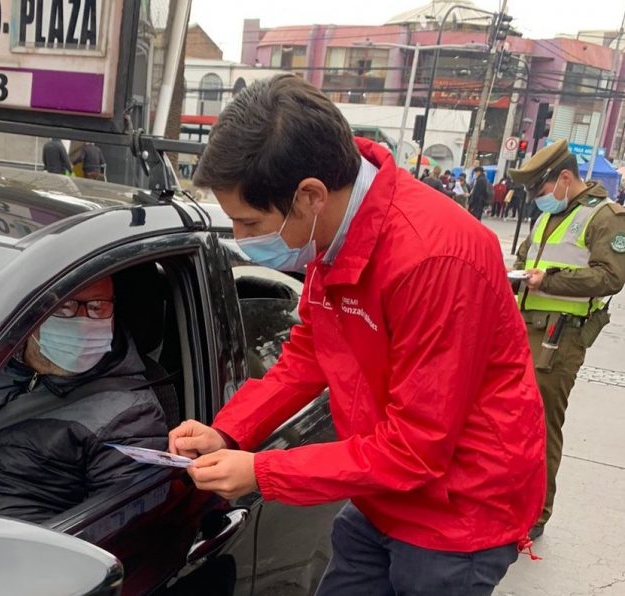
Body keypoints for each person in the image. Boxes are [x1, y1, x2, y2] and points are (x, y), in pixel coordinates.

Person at [171, 74, 545, 594]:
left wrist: (264, 472)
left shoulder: (433, 259)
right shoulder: (335, 231)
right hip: (380, 491)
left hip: (457, 511)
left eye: (251, 224)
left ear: (310, 196)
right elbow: (310, 352)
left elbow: (417, 448)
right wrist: (229, 431)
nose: (241, 241)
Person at [0, 276, 168, 532]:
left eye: (97, 307)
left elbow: (120, 531)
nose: (83, 324)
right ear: (33, 312)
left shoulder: (130, 416)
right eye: (65, 306)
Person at [509, 139, 625, 539]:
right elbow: (527, 260)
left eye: (540, 191)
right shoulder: (550, 215)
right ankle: (509, 500)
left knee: (541, 423)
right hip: (525, 328)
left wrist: (549, 280)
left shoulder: (605, 216)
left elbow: (611, 276)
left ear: (563, 178)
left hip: (562, 337)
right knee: (512, 420)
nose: (538, 201)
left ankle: (535, 513)